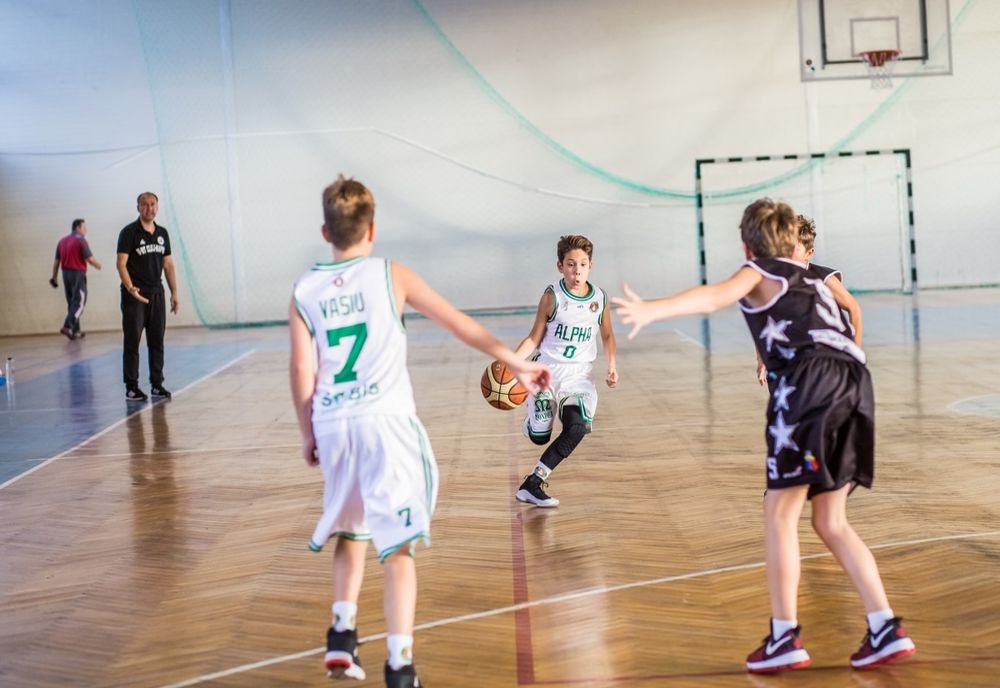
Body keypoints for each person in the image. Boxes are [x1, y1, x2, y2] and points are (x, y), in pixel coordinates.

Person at [613, 198, 915, 673]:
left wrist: (653, 309)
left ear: (747, 246)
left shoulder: (758, 270)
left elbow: (712, 296)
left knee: (779, 512)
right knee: (830, 521)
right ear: (794, 242)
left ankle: (784, 636)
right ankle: (885, 627)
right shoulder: (813, 278)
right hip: (856, 383)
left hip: (810, 384)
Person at [289, 175, 549, 688]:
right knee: (398, 548)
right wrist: (516, 360)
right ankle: (400, 665)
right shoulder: (391, 274)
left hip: (334, 422)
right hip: (385, 423)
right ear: (372, 229)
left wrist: (306, 432)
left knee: (351, 529)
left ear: (325, 232)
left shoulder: (305, 290)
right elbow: (457, 323)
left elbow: (301, 370)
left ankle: (341, 632)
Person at [513, 234, 618, 507]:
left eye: (582, 264)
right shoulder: (552, 297)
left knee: (577, 428)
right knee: (540, 437)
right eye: (571, 264)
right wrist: (512, 361)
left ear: (590, 266)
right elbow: (534, 337)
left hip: (579, 377)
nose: (577, 271)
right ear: (560, 266)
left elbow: (607, 335)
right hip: (547, 372)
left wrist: (612, 366)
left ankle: (533, 483)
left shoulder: (600, 299)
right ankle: (533, 420)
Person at [755, 215, 863, 387]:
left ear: (809, 253)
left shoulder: (823, 279)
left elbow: (854, 308)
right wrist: (762, 360)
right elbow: (764, 322)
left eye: (794, 249)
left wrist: (855, 354)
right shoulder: (775, 281)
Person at [116, 192, 179, 401]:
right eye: (144, 205)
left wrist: (174, 292)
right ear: (138, 207)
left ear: (157, 207)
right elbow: (121, 263)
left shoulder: (162, 233)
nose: (149, 208)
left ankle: (157, 384)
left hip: (156, 294)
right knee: (132, 341)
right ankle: (131, 387)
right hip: (135, 296)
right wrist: (130, 288)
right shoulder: (129, 232)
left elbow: (168, 264)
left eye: (152, 204)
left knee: (157, 341)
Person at [50, 218, 102, 339]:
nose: (86, 230)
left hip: (65, 274)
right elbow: (89, 259)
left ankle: (75, 331)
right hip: (77, 273)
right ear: (77, 228)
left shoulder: (62, 241)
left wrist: (54, 277)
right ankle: (68, 326)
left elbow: (56, 262)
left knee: (72, 302)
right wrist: (98, 265)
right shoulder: (81, 240)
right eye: (84, 227)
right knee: (79, 302)